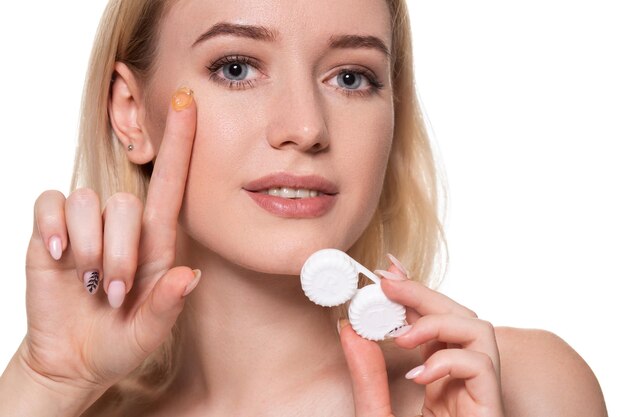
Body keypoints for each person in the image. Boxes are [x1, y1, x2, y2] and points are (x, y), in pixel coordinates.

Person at [0, 0, 608, 416]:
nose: (306, 127)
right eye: (236, 68)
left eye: (351, 78)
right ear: (131, 111)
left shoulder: (520, 386)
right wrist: (46, 385)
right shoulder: (73, 406)